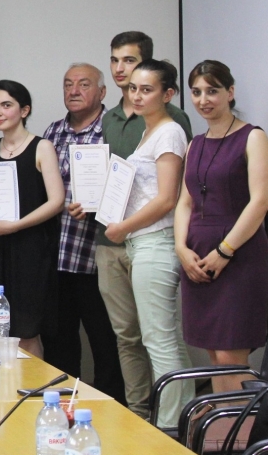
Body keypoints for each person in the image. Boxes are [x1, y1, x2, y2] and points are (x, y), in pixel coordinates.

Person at [93, 59, 194, 427]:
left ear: (168, 95)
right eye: (133, 88)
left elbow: (167, 199)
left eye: (146, 89)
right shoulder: (149, 131)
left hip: (155, 242)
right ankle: (182, 420)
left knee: (158, 341)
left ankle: (169, 427)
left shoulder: (169, 132)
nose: (136, 95)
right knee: (165, 340)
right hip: (143, 243)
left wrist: (122, 228)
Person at [176, 61, 268, 392]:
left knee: (231, 353)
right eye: (196, 92)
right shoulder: (195, 144)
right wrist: (181, 248)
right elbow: (185, 203)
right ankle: (222, 424)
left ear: (230, 92)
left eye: (212, 91)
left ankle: (243, 426)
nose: (203, 100)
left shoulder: (252, 136)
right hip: (197, 254)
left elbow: (260, 202)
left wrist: (225, 251)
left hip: (238, 254)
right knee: (215, 354)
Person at [45, 65, 126, 401]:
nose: (74, 91)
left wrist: (98, 205)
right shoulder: (53, 131)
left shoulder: (114, 129)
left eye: (83, 84)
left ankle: (111, 409)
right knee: (60, 343)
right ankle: (63, 406)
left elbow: (128, 188)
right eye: (68, 84)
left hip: (97, 257)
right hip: (57, 256)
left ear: (102, 92)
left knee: (106, 343)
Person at [0, 81, 64, 358]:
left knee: (26, 332)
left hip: (31, 250)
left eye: (6, 105)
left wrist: (16, 225)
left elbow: (56, 201)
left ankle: (34, 384)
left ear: (24, 110)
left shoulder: (42, 147)